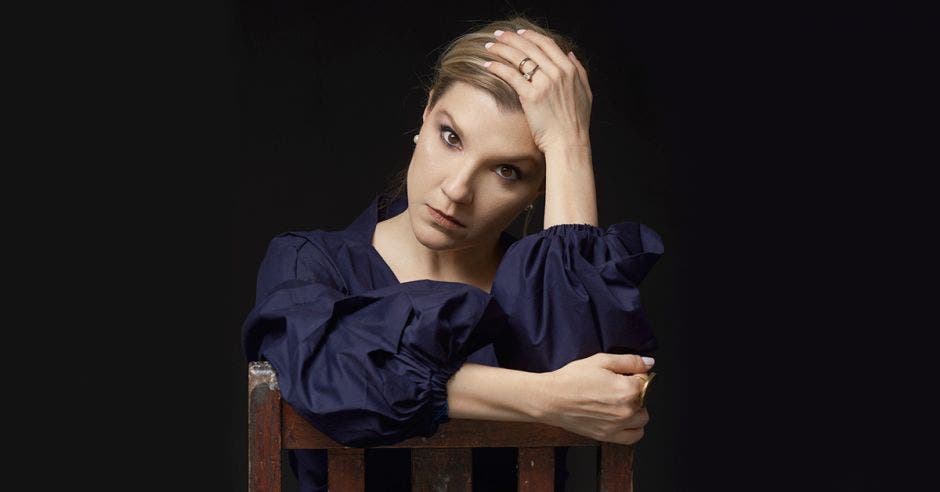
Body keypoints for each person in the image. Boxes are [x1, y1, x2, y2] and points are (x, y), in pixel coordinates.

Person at [242, 15, 664, 491]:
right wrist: (547, 397)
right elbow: (330, 366)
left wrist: (569, 144)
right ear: (425, 115)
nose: (457, 189)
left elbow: (595, 378)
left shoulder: (542, 288)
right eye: (451, 136)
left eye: (507, 171)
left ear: (539, 188)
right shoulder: (310, 262)